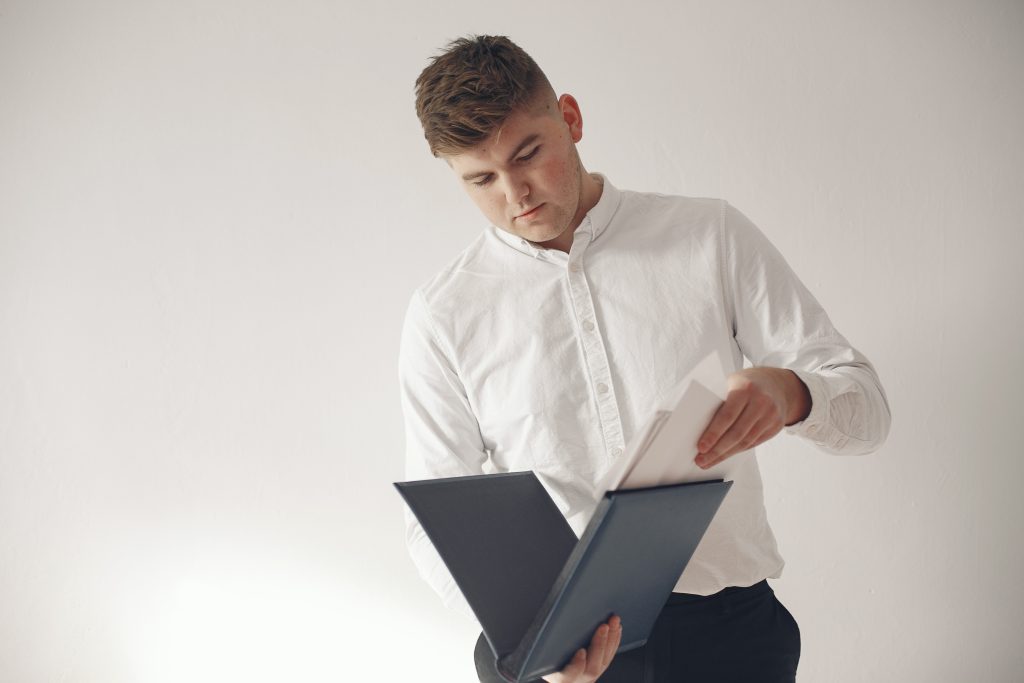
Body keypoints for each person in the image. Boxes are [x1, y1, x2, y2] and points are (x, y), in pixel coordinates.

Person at [399, 35, 891, 683]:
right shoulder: (445, 312)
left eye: (528, 154)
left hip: (728, 638)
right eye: (482, 179)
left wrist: (791, 394)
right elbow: (434, 525)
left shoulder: (709, 237)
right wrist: (536, 647)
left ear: (570, 119)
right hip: (554, 652)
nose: (515, 194)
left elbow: (866, 410)